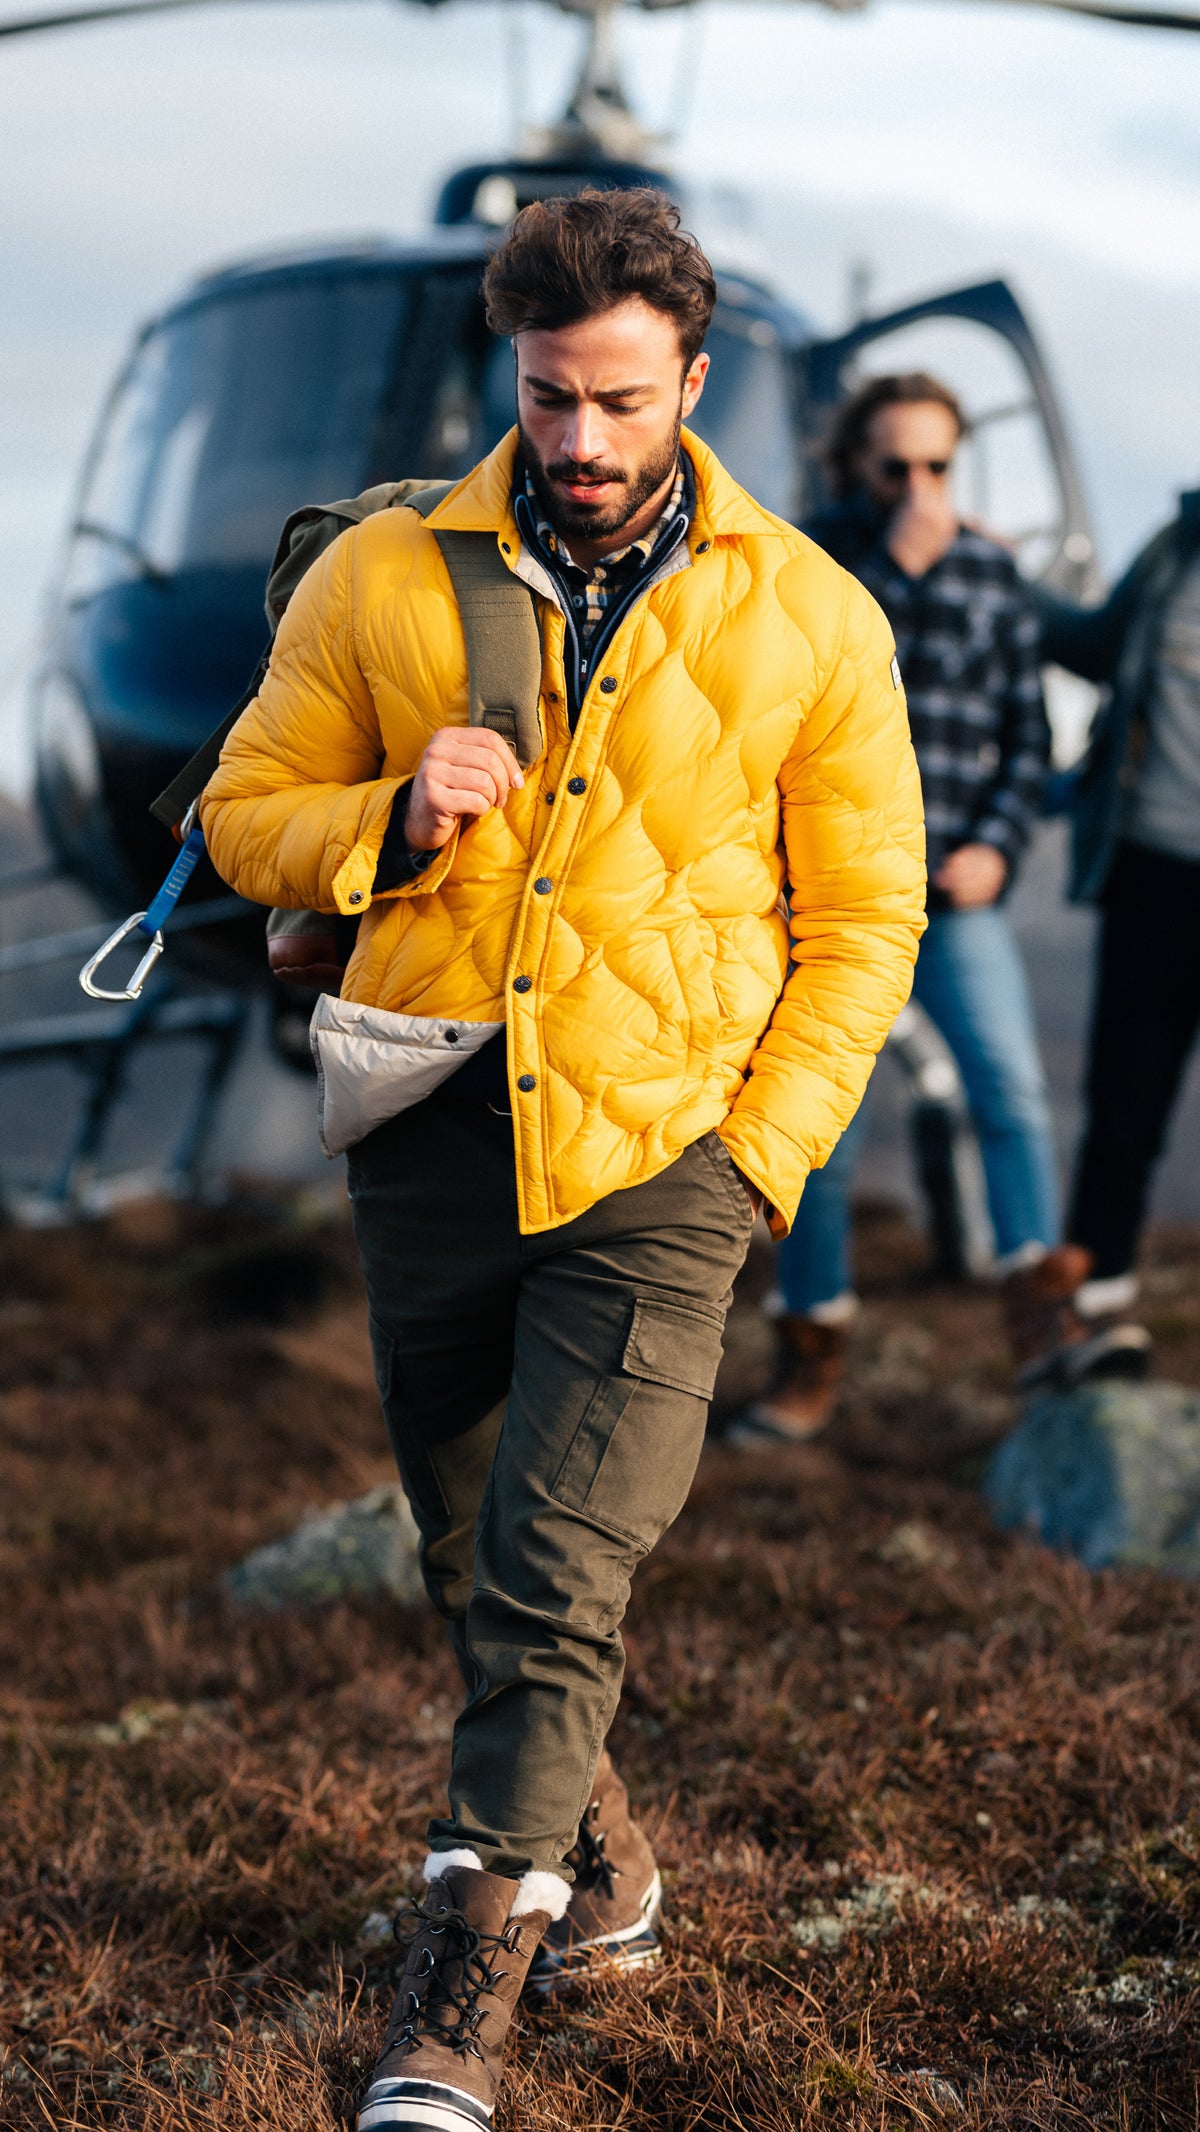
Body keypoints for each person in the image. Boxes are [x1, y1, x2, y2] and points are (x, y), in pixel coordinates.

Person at [200, 189, 925, 2132]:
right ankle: (596, 1864)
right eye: (546, 398)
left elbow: (870, 923)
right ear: (507, 379)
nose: (582, 442)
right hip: (429, 1120)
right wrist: (381, 813)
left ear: (695, 383)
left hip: (671, 1152)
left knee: (549, 1572)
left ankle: (452, 2004)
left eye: (620, 399)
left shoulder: (816, 616)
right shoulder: (380, 579)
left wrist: (762, 1158)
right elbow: (244, 818)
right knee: (463, 1547)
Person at [730, 369, 1092, 1448]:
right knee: (819, 1127)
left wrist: (998, 845)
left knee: (1013, 1092)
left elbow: (1028, 737)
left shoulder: (992, 568)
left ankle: (1042, 1319)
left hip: (951, 892)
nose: (920, 484)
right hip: (829, 892)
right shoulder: (810, 559)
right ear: (857, 462)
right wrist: (898, 562)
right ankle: (811, 1344)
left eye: (939, 464)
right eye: (898, 465)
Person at [1036, 486, 1200, 1356]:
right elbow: (1097, 647)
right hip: (1150, 875)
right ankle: (1094, 1317)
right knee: (1124, 1107)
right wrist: (1002, 575)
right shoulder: (1178, 544)